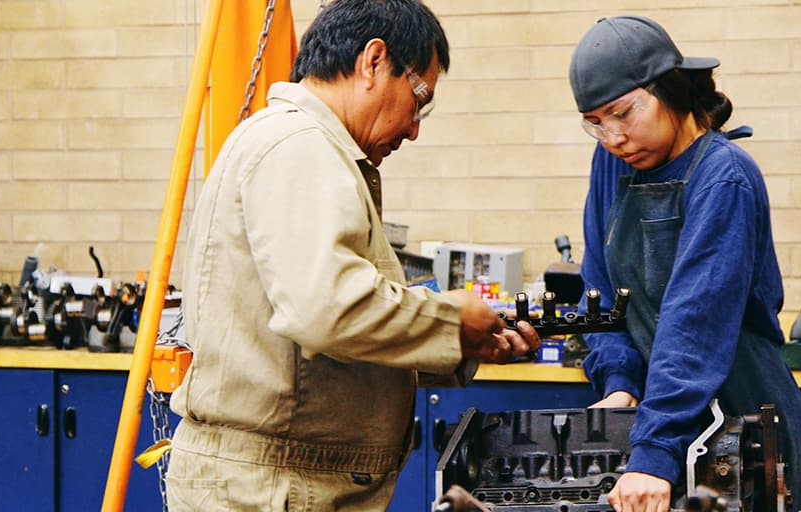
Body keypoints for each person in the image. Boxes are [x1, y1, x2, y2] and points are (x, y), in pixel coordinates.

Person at [165, 1, 540, 511]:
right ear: (373, 61)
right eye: (419, 98)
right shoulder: (300, 146)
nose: (413, 128)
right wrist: (449, 322)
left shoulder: (302, 147)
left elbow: (329, 346)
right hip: (275, 488)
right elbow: (326, 309)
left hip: (284, 482)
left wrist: (464, 347)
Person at [569, 16, 801, 512]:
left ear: (670, 90)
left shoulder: (723, 176)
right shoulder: (611, 164)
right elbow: (599, 289)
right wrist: (619, 381)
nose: (612, 137)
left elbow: (697, 321)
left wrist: (653, 452)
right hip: (659, 420)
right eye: (595, 123)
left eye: (624, 113)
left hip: (743, 425)